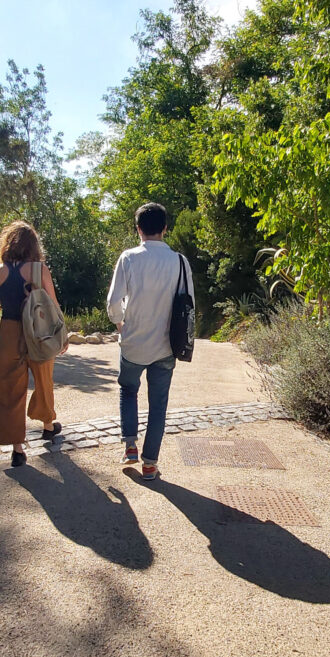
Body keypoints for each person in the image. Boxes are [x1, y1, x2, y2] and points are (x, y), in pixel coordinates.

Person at [107, 202, 194, 480]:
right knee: (158, 405)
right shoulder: (180, 261)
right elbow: (188, 304)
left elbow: (113, 303)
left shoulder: (129, 258)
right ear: (166, 228)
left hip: (133, 342)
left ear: (138, 229)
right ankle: (149, 464)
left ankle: (130, 445)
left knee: (128, 390)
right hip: (166, 345)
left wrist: (120, 324)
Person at [0, 221, 65, 467]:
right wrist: (61, 333)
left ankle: (18, 449)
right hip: (39, 330)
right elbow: (53, 304)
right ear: (34, 245)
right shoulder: (39, 270)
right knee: (44, 380)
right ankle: (48, 425)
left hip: (10, 330)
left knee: (9, 387)